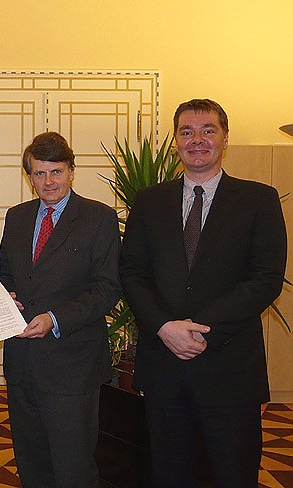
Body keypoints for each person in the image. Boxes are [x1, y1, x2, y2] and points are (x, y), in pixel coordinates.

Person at [120, 99, 287, 487]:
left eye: (208, 130)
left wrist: (200, 329)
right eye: (187, 132)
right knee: (167, 474)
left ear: (225, 138)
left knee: (234, 473)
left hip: (229, 369)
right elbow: (132, 272)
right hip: (164, 367)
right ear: (176, 141)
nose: (197, 140)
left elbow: (265, 279)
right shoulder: (149, 200)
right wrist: (165, 327)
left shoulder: (259, 199)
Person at [0, 131, 121, 486]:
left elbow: (107, 287)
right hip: (22, 362)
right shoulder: (17, 216)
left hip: (73, 365)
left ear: (71, 171)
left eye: (56, 172)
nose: (48, 181)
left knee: (73, 467)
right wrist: (3, 294)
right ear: (30, 176)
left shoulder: (98, 217)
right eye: (39, 173)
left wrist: (54, 319)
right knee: (31, 463)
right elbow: (9, 274)